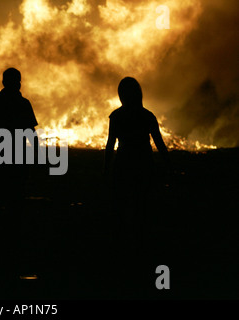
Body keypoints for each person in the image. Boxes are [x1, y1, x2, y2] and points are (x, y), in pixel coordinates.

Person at [103, 77, 171, 294]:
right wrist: (169, 164)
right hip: (143, 162)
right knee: (142, 204)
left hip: (123, 163)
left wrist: (106, 168)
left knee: (121, 205)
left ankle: (121, 247)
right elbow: (158, 143)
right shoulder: (147, 115)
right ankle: (142, 245)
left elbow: (110, 144)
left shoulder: (117, 116)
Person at [0, 68, 38, 210]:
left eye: (18, 81)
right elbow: (31, 131)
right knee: (15, 194)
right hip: (17, 156)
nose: (17, 84)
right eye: (16, 81)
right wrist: (36, 152)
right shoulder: (23, 104)